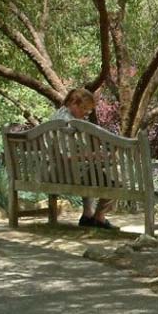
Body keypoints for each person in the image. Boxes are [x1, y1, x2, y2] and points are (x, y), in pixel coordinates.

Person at [50, 88, 118, 230]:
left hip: (54, 171)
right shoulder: (67, 124)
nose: (86, 113)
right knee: (117, 178)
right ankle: (99, 216)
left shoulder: (58, 116)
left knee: (94, 169)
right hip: (66, 173)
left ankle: (87, 215)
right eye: (84, 109)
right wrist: (94, 156)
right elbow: (66, 157)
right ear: (74, 102)